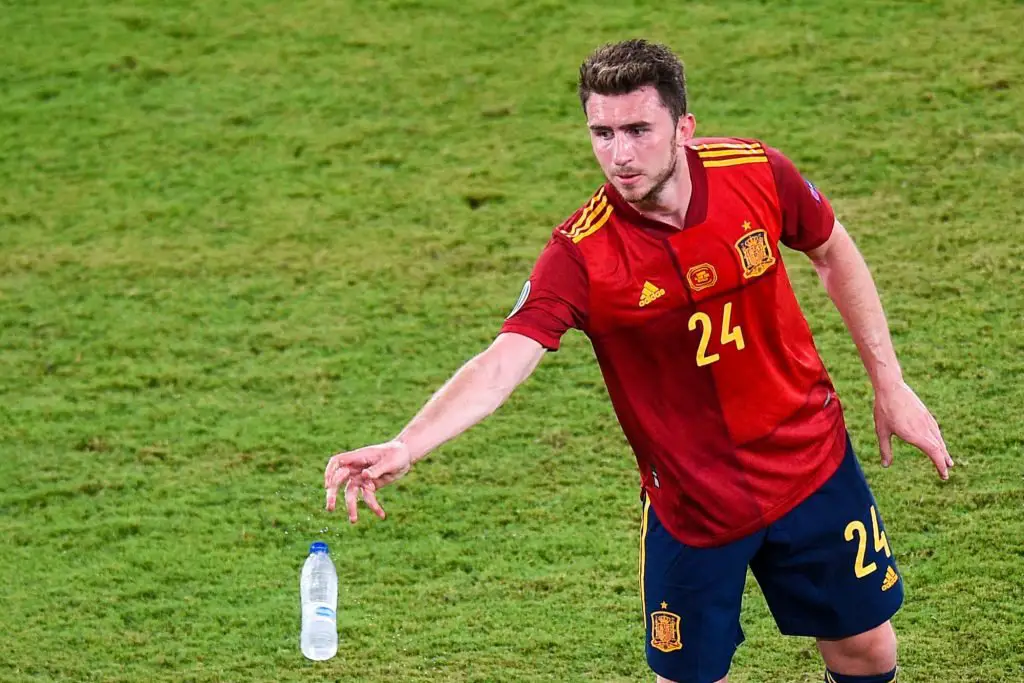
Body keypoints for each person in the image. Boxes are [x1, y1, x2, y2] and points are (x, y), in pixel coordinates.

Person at [323, 39, 952, 683]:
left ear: (683, 127)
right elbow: (501, 362)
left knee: (866, 650)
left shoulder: (755, 171)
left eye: (637, 130)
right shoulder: (581, 253)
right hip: (694, 507)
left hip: (813, 466)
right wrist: (408, 443)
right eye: (602, 133)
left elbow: (830, 249)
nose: (619, 154)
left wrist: (890, 383)